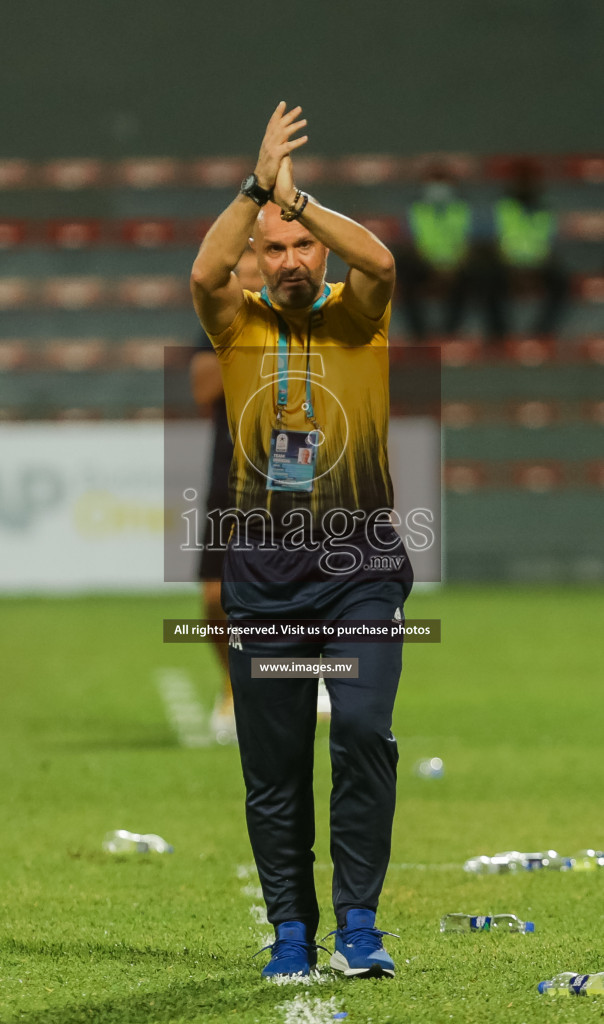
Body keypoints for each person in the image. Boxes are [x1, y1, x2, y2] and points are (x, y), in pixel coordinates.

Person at [190, 102, 413, 980]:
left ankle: (359, 923)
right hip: (265, 588)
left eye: (300, 246)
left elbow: (384, 259)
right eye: (274, 247)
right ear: (257, 257)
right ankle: (292, 930)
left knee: (360, 730)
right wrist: (255, 188)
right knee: (275, 765)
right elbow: (204, 271)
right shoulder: (235, 320)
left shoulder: (362, 318)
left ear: (319, 250)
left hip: (361, 578)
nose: (288, 260)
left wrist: (300, 198)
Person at [190, 250, 263, 744]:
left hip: (296, 470)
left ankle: (308, 679)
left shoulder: (305, 318)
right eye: (249, 273)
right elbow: (201, 390)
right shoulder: (218, 324)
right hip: (230, 470)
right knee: (216, 594)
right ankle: (232, 686)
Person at [483, 158, 568, 340]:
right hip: (507, 266)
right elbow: (494, 244)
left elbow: (548, 243)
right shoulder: (502, 207)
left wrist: (534, 270)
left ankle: (541, 333)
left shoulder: (545, 208)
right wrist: (514, 270)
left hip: (538, 266)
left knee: (561, 283)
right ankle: (499, 336)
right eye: (522, 181)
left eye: (529, 181)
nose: (526, 185)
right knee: (486, 281)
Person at [395, 163, 476, 339]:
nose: (438, 187)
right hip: (424, 266)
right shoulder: (415, 210)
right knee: (404, 273)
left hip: (456, 268)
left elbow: (470, 245)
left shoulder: (463, 210)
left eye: (442, 181)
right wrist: (434, 269)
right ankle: (419, 335)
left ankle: (451, 333)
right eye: (434, 181)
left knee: (476, 276)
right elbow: (409, 245)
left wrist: (451, 268)